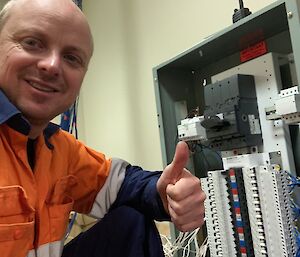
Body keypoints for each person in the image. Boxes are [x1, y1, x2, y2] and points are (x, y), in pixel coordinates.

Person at [0, 0, 206, 256]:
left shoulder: (60, 150)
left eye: (71, 58)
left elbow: (125, 185)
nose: (52, 65)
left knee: (131, 221)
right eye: (32, 42)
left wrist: (163, 193)